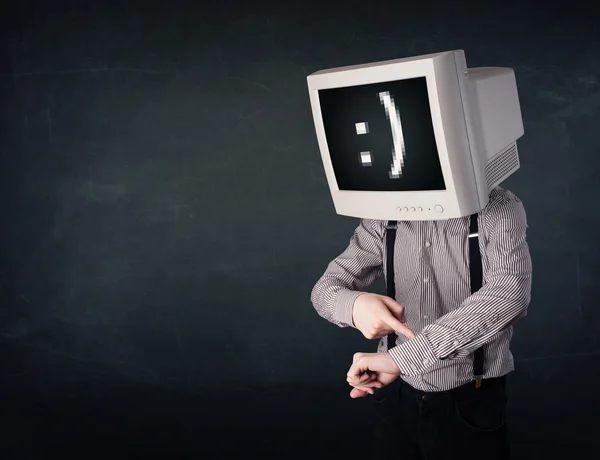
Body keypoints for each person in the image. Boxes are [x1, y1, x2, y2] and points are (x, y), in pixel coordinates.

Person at [310, 186, 532, 460]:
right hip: (394, 395)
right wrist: (355, 307)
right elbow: (324, 290)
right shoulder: (383, 213)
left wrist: (402, 359)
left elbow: (509, 294)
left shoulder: (498, 207)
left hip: (471, 399)